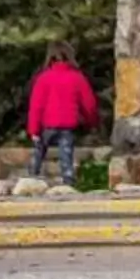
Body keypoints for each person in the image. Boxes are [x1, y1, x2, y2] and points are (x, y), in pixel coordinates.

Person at [25, 43, 99, 185]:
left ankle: (32, 176)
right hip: (67, 125)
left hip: (46, 125)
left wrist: (33, 129)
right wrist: (92, 121)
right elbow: (89, 103)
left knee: (39, 151)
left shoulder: (44, 78)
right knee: (66, 154)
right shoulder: (77, 78)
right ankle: (68, 178)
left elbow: (36, 106)